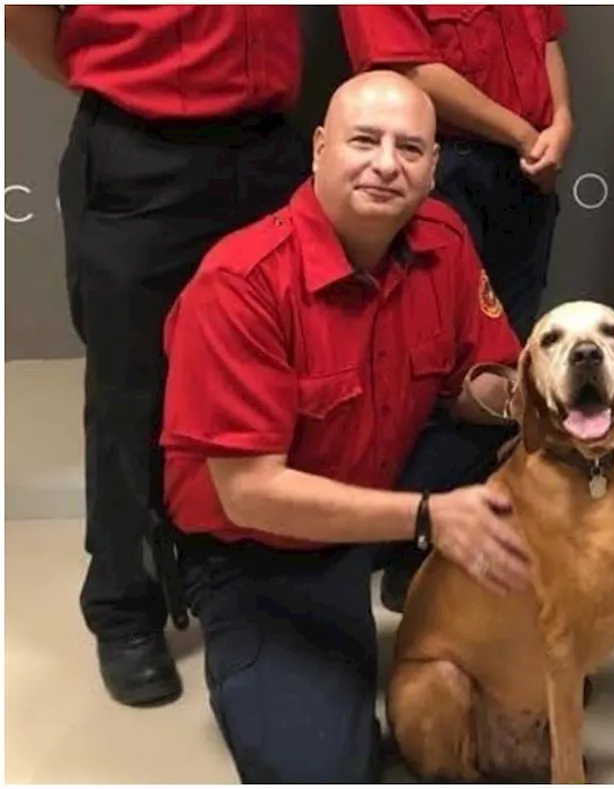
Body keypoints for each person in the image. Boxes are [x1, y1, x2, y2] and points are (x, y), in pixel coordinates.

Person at [159, 71, 528, 783]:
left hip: (376, 480)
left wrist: (538, 396)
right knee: (329, 766)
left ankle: (445, 604)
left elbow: (477, 383)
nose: (387, 163)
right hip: (258, 543)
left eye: (410, 148)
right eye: (365, 140)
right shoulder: (241, 283)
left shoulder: (444, 239)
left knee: (525, 449)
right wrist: (426, 518)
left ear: (432, 169)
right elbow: (250, 493)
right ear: (320, 149)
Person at [4, 5, 310, 708]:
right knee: (130, 394)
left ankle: (241, 577)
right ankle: (124, 604)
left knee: (267, 375)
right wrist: (111, 81)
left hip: (267, 147)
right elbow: (21, 15)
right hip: (144, 150)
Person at [336, 4, 573, 610]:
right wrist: (524, 132)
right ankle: (407, 548)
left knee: (509, 365)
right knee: (434, 364)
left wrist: (561, 122)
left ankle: (471, 535)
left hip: (527, 173)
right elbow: (409, 70)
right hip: (441, 164)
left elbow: (545, 38)